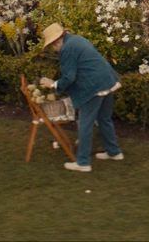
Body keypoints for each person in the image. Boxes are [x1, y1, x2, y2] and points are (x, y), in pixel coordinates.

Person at [38, 23, 122, 172]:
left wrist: (53, 84)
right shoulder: (76, 39)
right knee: (104, 119)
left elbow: (69, 77)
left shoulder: (67, 48)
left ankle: (83, 163)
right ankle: (114, 152)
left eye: (51, 46)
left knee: (85, 124)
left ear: (56, 42)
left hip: (95, 87)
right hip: (108, 80)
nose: (52, 49)